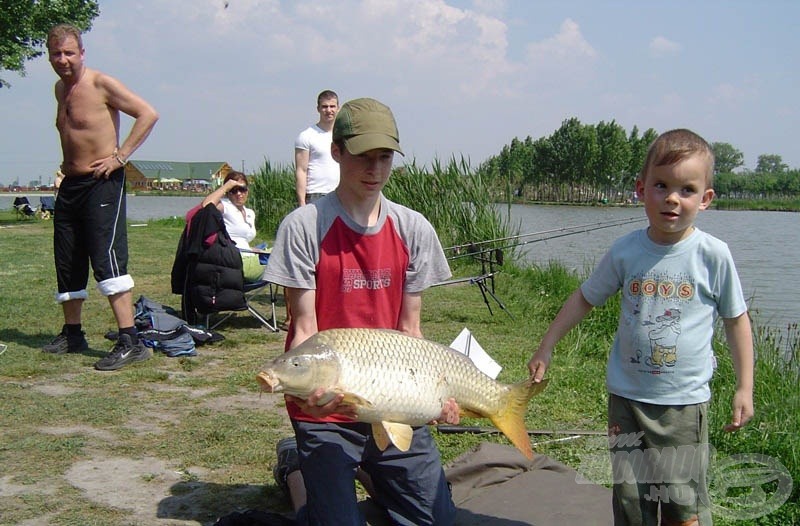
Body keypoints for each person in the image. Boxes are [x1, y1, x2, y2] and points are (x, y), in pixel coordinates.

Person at [528, 129, 754, 526]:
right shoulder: (626, 251)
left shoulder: (713, 256)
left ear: (705, 199)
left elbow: (736, 320)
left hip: (683, 404)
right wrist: (547, 345)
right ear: (641, 189)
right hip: (627, 401)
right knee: (633, 504)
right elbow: (584, 297)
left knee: (683, 507)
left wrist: (744, 386)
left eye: (686, 189)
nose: (672, 198)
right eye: (661, 185)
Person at [265, 97, 459, 525]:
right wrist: (307, 393)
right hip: (325, 401)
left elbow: (411, 331)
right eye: (363, 158)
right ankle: (298, 470)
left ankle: (373, 470)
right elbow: (304, 328)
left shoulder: (413, 228)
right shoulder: (303, 226)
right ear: (336, 152)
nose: (375, 171)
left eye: (384, 158)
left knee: (438, 521)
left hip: (393, 398)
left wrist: (439, 393)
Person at [41, 24, 159, 371]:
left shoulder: (100, 83)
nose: (62, 60)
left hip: (101, 182)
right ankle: (73, 333)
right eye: (56, 54)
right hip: (71, 185)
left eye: (69, 53)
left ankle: (130, 340)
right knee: (68, 259)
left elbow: (148, 113)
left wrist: (120, 157)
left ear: (82, 53)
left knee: (106, 261)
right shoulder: (60, 89)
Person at [201, 171, 266, 282]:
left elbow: (239, 240)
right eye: (234, 190)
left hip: (248, 257)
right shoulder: (225, 206)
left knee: (281, 253)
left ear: (247, 190)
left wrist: (252, 249)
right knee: (285, 257)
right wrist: (225, 187)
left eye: (242, 189)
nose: (239, 194)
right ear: (228, 193)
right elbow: (206, 206)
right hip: (235, 262)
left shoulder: (250, 213)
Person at [294, 90, 340, 206]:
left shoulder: (343, 136)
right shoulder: (306, 136)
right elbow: (301, 171)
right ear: (318, 109)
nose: (329, 110)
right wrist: (302, 203)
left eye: (332, 106)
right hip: (316, 195)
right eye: (324, 106)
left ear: (338, 108)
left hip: (341, 194)